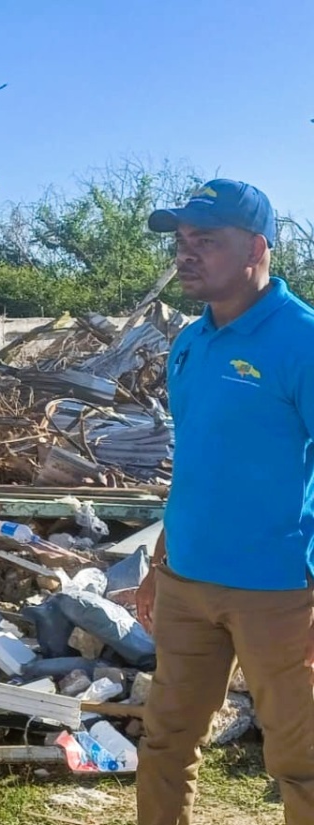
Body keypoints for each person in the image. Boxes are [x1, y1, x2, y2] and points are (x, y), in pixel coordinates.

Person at [137, 179, 314, 825]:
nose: (187, 253)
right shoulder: (190, 342)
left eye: (205, 239)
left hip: (279, 592)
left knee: (300, 761)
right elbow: (197, 463)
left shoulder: (303, 341)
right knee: (165, 742)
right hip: (186, 582)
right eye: (183, 241)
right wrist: (160, 559)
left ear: (257, 247)